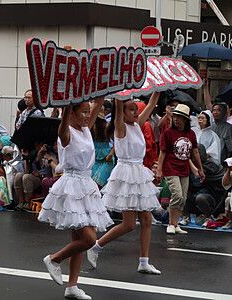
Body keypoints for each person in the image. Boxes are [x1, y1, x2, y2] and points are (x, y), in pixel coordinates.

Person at [38, 97, 113, 300]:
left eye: (89, 112)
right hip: (71, 185)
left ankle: (72, 286)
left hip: (86, 185)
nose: (88, 116)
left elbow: (98, 102)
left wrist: (102, 90)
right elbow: (63, 127)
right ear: (71, 112)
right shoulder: (66, 132)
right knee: (89, 239)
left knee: (79, 240)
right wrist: (67, 106)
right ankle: (54, 259)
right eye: (83, 112)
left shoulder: (86, 129)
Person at [87, 92, 162, 275]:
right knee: (129, 224)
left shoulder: (137, 125)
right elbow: (119, 105)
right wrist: (121, 92)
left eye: (136, 109)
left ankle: (144, 261)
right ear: (122, 111)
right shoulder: (120, 127)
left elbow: (152, 104)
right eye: (131, 109)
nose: (136, 112)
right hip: (126, 173)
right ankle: (96, 246)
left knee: (146, 220)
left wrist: (159, 88)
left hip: (139, 172)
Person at [157, 104, 205, 235]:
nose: (176, 120)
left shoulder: (191, 134)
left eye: (179, 117)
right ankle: (171, 224)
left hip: (184, 169)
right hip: (170, 168)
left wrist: (200, 169)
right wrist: (159, 170)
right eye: (175, 117)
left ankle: (176, 223)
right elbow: (163, 152)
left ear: (185, 120)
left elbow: (195, 152)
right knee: (177, 195)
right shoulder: (168, 133)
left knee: (183, 198)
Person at [91, 113, 114, 188]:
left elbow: (118, 141)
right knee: (92, 182)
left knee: (101, 182)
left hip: (106, 157)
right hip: (94, 157)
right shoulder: (89, 126)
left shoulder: (107, 126)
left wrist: (111, 153)